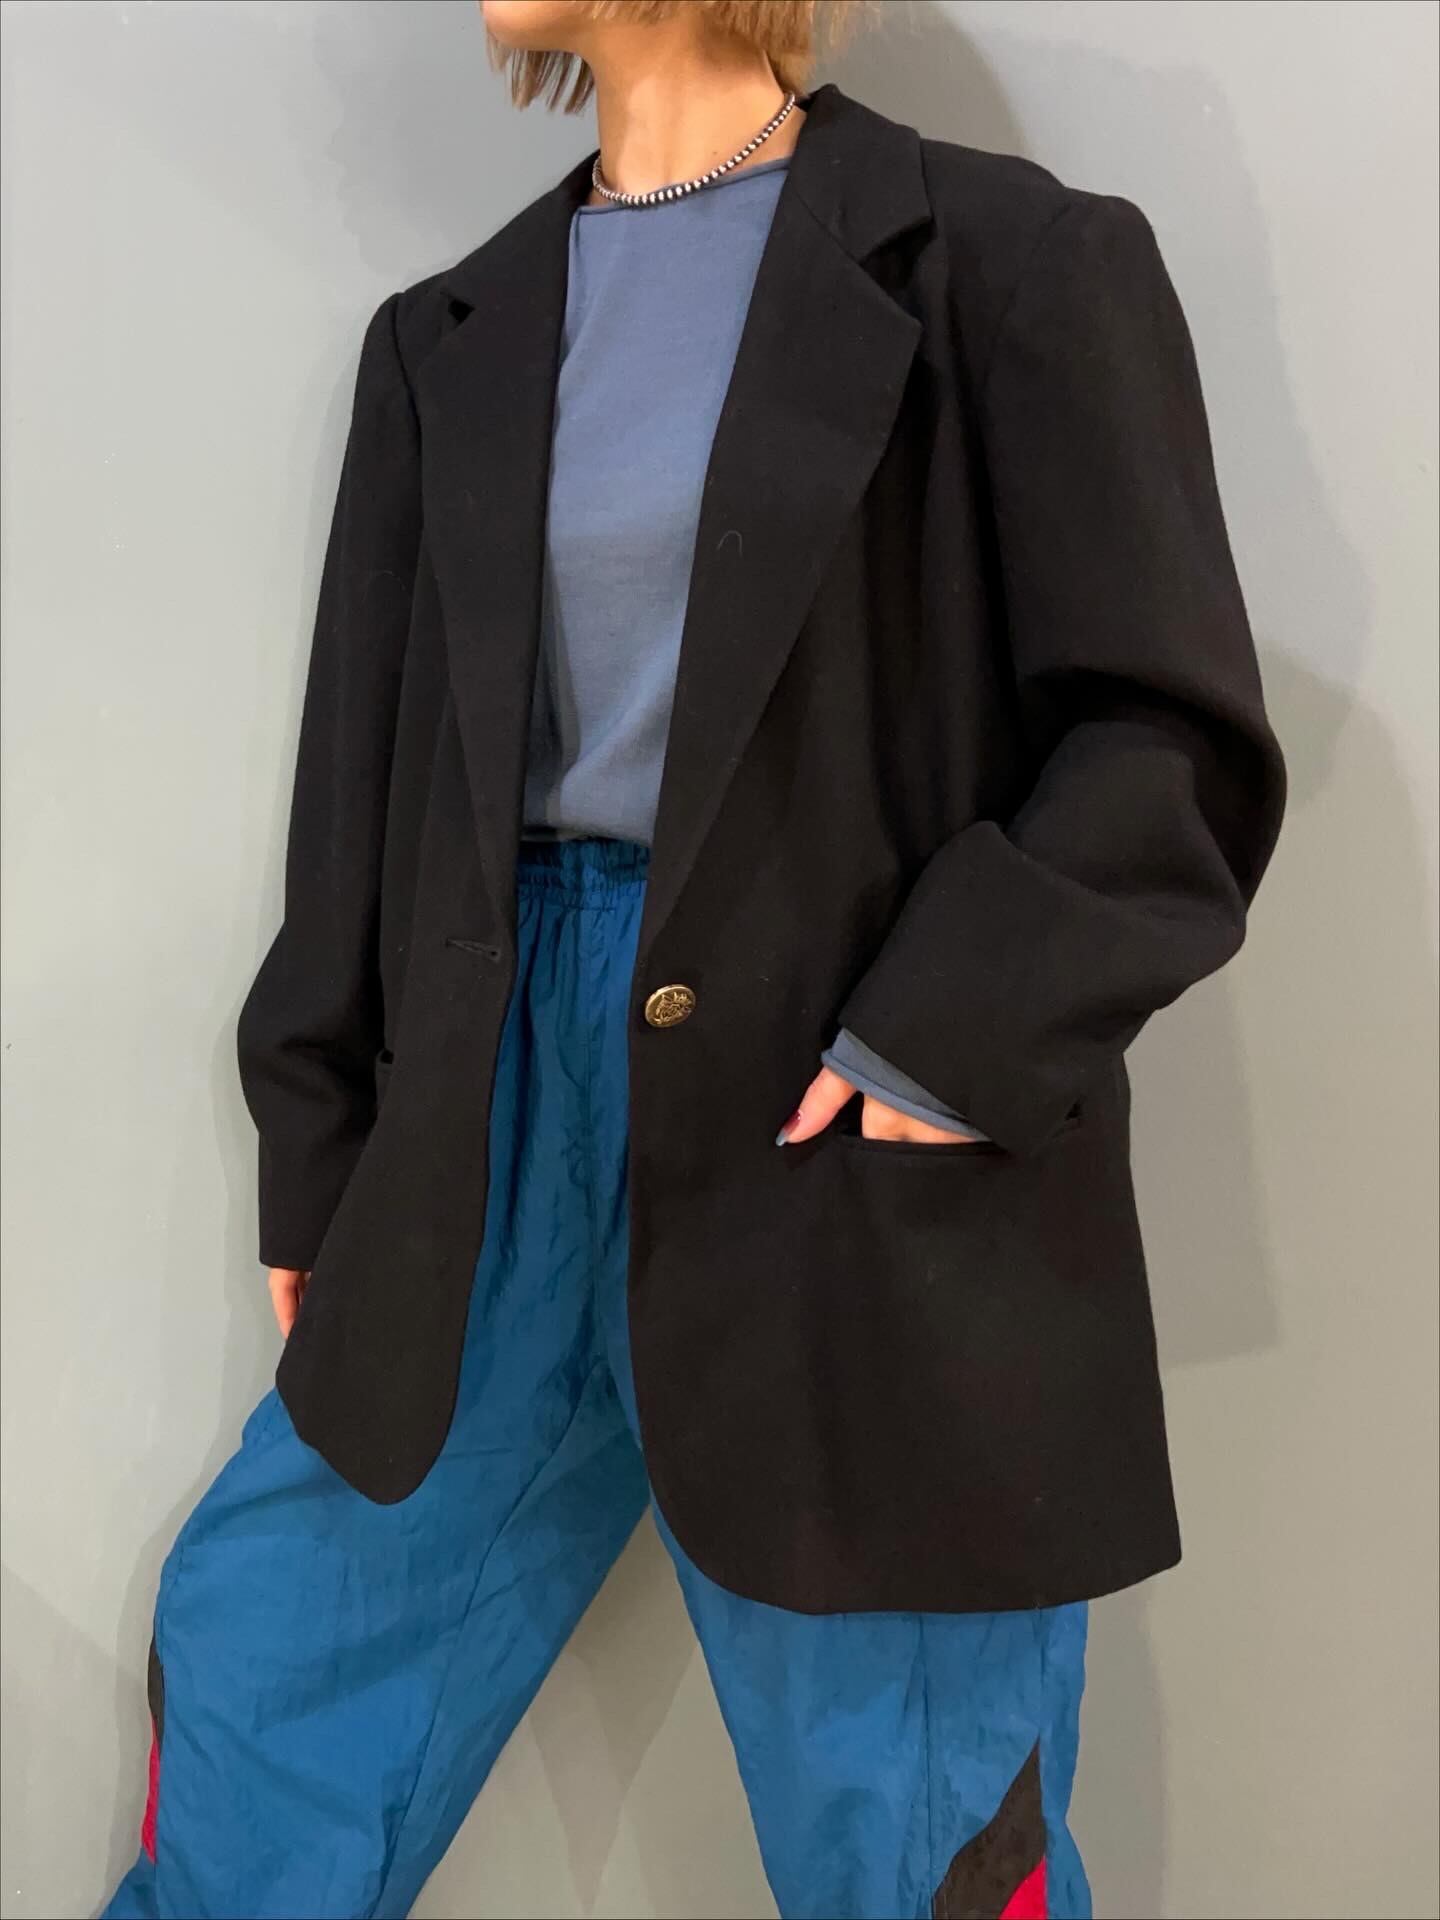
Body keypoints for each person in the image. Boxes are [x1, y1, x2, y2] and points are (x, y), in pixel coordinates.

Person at [101, 2, 1287, 1915]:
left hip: (836, 1090)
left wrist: (944, 1041)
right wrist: (321, 1143)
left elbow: (1170, 736)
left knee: (903, 1813)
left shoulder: (1015, 262)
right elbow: (365, 788)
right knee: (271, 1660)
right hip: (488, 1106)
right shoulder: (449, 334)